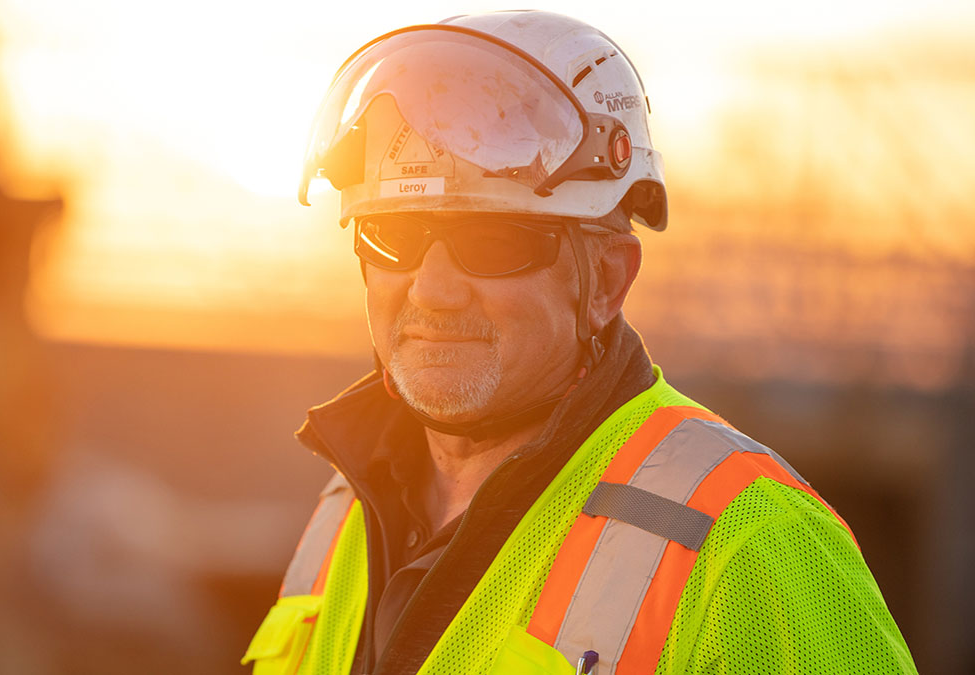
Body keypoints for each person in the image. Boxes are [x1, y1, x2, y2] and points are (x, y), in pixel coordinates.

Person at [243, 10, 917, 674]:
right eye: (393, 235)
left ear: (606, 284)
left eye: (492, 241)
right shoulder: (346, 509)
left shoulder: (746, 543)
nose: (431, 289)